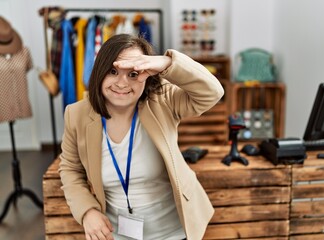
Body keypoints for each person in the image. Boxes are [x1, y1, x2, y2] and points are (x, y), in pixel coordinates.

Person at [59, 33, 224, 240]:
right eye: (113, 71)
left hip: (175, 232)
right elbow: (70, 169)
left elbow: (212, 92)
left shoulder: (163, 99)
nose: (122, 83)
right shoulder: (76, 114)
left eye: (133, 74)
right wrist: (87, 211)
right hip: (117, 234)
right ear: (100, 72)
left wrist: (166, 62)